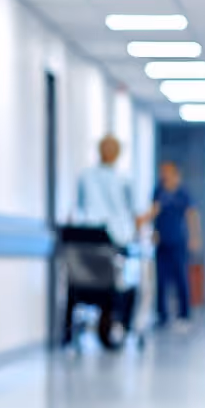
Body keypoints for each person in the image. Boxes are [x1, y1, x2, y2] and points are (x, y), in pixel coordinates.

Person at [73, 135, 139, 345]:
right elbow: (131, 213)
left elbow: (80, 207)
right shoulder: (123, 180)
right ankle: (121, 326)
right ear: (117, 154)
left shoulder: (85, 176)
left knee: (89, 279)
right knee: (122, 284)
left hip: (86, 242)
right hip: (113, 242)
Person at [140, 162, 199, 330]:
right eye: (162, 172)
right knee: (161, 280)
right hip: (162, 242)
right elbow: (154, 212)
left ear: (175, 174)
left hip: (178, 242)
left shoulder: (183, 192)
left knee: (181, 279)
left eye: (166, 172)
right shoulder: (158, 191)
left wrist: (194, 237)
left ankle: (184, 315)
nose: (163, 175)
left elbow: (192, 215)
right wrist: (152, 231)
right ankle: (162, 316)